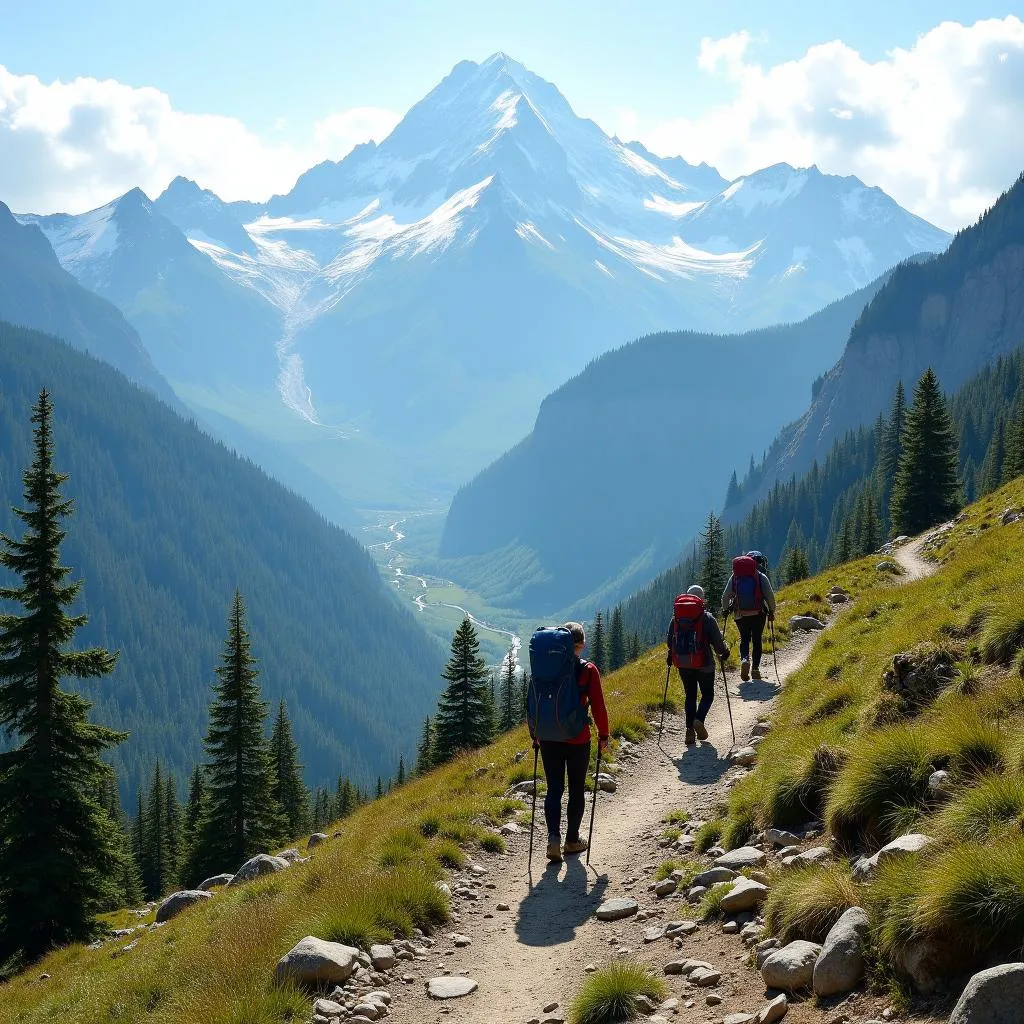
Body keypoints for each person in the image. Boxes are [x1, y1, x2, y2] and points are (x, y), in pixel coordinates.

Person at [534, 621, 608, 863]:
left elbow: (535, 702)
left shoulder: (545, 668)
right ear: (581, 644)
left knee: (554, 788)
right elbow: (598, 706)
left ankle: (553, 839)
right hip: (578, 738)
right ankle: (572, 840)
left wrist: (535, 732)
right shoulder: (588, 670)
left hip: (548, 737)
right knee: (577, 789)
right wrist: (604, 735)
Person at [665, 585, 730, 745]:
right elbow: (718, 644)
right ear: (702, 599)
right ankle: (699, 719)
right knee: (707, 694)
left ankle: (689, 731)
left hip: (683, 663)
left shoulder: (676, 618)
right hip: (704, 664)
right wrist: (725, 652)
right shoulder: (707, 618)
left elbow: (669, 641)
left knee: (690, 695)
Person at [721, 550, 777, 681]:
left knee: (744, 638)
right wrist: (772, 611)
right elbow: (770, 597)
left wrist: (725, 609)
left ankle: (745, 659)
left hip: (741, 614)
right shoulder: (761, 576)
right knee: (757, 640)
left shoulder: (734, 577)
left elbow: (725, 596)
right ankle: (755, 669)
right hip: (758, 614)